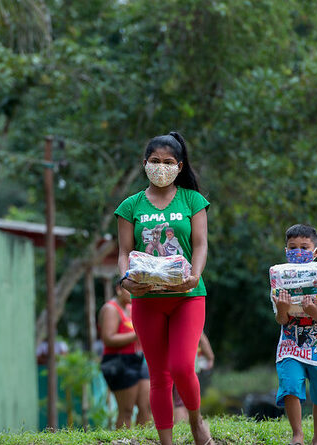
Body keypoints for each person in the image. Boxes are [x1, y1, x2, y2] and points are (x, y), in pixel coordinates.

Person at [116, 131, 213, 445]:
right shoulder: (130, 205)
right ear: (144, 163)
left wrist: (196, 274)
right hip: (146, 299)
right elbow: (123, 253)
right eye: (155, 161)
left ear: (180, 165)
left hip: (188, 296)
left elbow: (200, 245)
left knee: (183, 366)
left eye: (168, 162)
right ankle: (166, 442)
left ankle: (197, 422)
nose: (161, 167)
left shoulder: (192, 200)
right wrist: (126, 280)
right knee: (159, 376)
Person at [272, 224, 317, 445]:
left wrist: (314, 312)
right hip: (290, 343)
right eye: (293, 247)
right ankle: (297, 435)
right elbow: (281, 320)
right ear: (285, 251)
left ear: (316, 251)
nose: (298, 251)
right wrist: (282, 308)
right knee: (290, 385)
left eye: (304, 247)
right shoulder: (279, 278)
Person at [99, 284, 152, 428]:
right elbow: (108, 338)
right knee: (127, 410)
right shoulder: (111, 309)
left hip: (137, 359)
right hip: (118, 362)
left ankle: (143, 441)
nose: (133, 294)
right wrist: (137, 334)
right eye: (129, 290)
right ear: (118, 289)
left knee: (146, 406)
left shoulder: (130, 307)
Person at [173, 331, 215, 423]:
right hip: (189, 365)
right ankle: (180, 431)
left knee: (181, 401)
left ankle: (182, 430)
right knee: (183, 403)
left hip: (174, 363)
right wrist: (210, 357)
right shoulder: (189, 318)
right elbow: (202, 338)